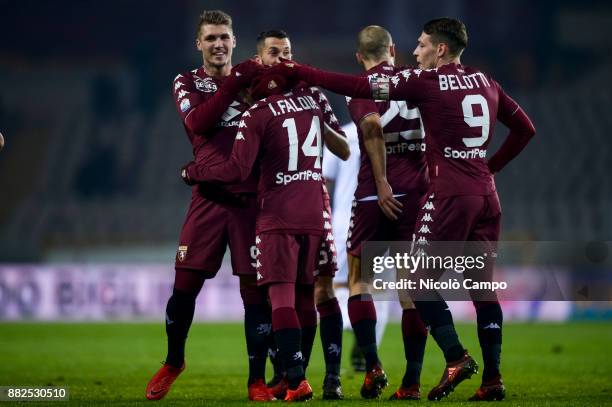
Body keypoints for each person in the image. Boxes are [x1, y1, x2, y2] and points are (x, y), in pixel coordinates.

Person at [268, 17, 536, 402]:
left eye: (423, 44)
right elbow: (526, 129)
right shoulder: (485, 81)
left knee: (401, 283)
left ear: (440, 49)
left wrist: (299, 70)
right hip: (479, 194)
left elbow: (362, 95)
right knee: (478, 287)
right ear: (390, 50)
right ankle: (486, 378)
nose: (416, 50)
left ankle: (449, 358)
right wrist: (488, 167)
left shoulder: (422, 82)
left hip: (428, 196)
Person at [181, 71, 350, 401]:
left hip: (277, 215)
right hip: (315, 212)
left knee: (282, 298)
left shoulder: (256, 114)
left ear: (251, 93)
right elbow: (336, 144)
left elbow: (236, 171)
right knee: (307, 297)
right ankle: (308, 375)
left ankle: (296, 380)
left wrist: (194, 172)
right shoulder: (312, 104)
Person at [145, 10, 273, 401]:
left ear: (234, 42)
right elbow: (199, 123)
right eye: (211, 38)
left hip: (251, 203)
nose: (218, 44)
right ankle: (173, 361)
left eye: (224, 37)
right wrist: (236, 83)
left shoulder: (259, 82)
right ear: (199, 44)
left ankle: (256, 380)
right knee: (184, 287)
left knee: (255, 294)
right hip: (208, 202)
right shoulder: (187, 81)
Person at [253, 29, 346, 400]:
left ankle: (320, 377)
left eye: (287, 51)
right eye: (274, 52)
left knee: (314, 290)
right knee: (286, 293)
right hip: (277, 204)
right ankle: (291, 374)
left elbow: (342, 148)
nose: (282, 58)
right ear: (260, 59)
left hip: (312, 205)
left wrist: (315, 122)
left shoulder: (314, 95)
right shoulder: (256, 98)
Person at [344, 25, 429, 400]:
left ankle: (373, 365)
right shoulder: (419, 81)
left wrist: (381, 182)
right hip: (417, 195)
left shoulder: (361, 87)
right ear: (393, 49)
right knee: (411, 291)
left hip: (372, 197)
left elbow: (373, 126)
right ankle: (411, 381)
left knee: (360, 281)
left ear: (360, 57)